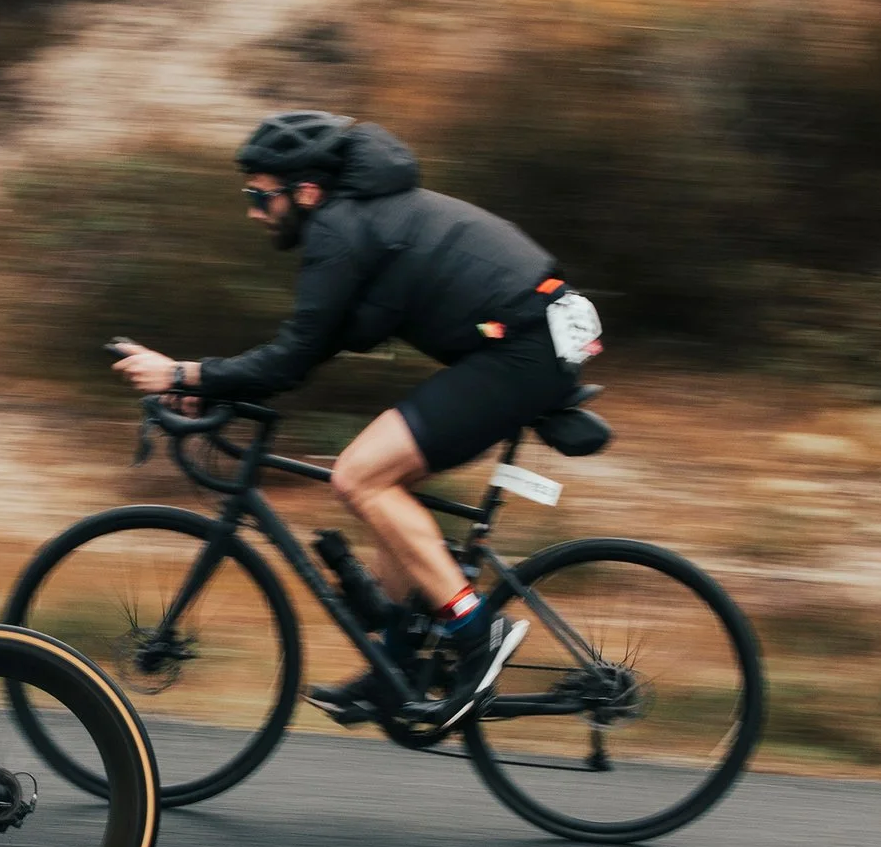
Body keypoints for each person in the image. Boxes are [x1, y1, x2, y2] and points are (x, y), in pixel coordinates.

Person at [111, 110, 601, 728]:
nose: (252, 211)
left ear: (306, 192)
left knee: (359, 476)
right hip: (525, 340)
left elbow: (292, 356)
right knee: (385, 483)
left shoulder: (340, 230)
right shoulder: (361, 219)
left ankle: (478, 633)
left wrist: (184, 375)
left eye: (260, 197)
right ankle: (395, 669)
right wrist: (209, 385)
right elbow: (311, 349)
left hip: (522, 348)